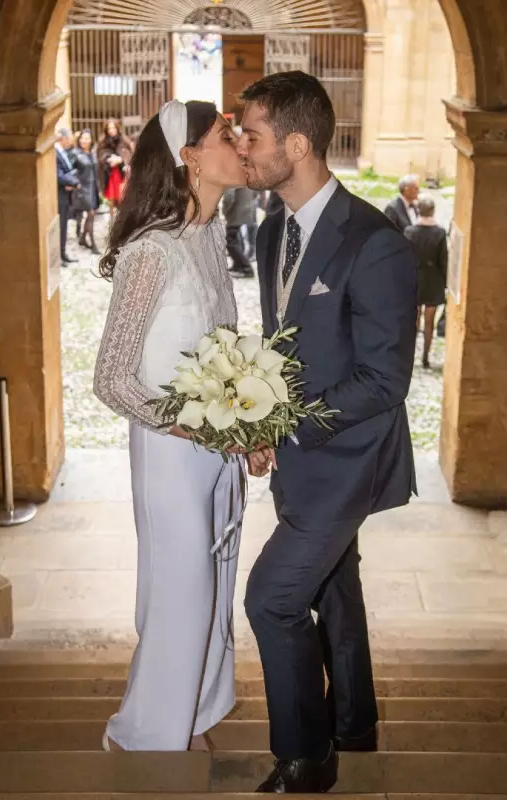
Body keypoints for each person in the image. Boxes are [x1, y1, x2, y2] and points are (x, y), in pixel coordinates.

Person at [237, 71, 418, 793]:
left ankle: (308, 758)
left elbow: (384, 380)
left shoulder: (374, 242)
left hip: (347, 459)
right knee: (333, 588)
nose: (241, 148)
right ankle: (354, 721)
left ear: (298, 143)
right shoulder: (272, 224)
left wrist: (284, 429)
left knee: (272, 598)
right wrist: (255, 412)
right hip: (297, 458)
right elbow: (282, 342)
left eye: (251, 135)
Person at [93, 100, 247, 752]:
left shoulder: (211, 238)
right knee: (181, 592)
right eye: (224, 135)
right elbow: (113, 380)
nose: (238, 143)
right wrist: (197, 427)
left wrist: (246, 426)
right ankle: (146, 736)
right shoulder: (151, 254)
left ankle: (194, 713)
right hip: (170, 456)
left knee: (214, 583)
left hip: (216, 451)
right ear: (189, 157)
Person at [404, 194, 448, 368]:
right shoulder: (440, 233)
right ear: (433, 211)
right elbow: (444, 260)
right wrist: (446, 283)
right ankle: (425, 357)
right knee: (429, 322)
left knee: (413, 321)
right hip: (433, 281)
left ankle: (408, 357)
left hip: (414, 280)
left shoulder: (409, 231)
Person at [72, 129, 101, 255]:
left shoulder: (93, 153)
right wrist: (74, 183)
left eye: (87, 138)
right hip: (82, 189)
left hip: (93, 188)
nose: (85, 140)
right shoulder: (75, 153)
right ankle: (93, 244)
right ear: (79, 140)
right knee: (91, 214)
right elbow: (70, 171)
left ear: (91, 140)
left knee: (91, 214)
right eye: (83, 138)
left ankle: (83, 238)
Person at [97, 119, 134, 218]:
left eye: (113, 127)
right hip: (109, 174)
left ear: (117, 128)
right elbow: (101, 156)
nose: (111, 130)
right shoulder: (103, 141)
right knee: (112, 200)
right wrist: (109, 160)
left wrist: (120, 159)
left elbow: (130, 155)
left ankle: (122, 220)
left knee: (123, 198)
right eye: (109, 128)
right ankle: (112, 221)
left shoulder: (124, 140)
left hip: (122, 173)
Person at [55, 128, 80, 266]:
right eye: (69, 137)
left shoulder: (62, 152)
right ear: (63, 138)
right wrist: (74, 182)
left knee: (64, 226)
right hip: (60, 195)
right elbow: (58, 175)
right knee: (60, 226)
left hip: (66, 194)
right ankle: (60, 255)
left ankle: (63, 254)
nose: (71, 140)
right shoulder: (54, 152)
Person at [222, 186, 258, 278]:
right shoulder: (245, 177)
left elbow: (229, 197)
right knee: (235, 241)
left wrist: (225, 211)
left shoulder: (232, 178)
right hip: (246, 212)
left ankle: (246, 268)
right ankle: (237, 266)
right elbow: (255, 194)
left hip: (236, 214)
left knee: (230, 241)